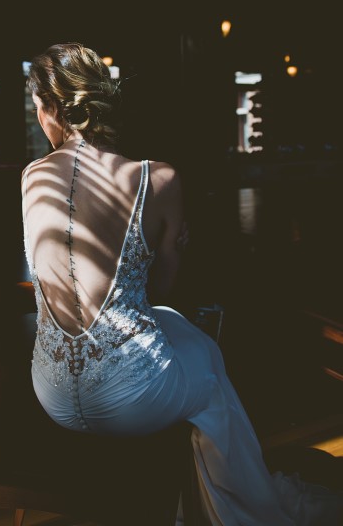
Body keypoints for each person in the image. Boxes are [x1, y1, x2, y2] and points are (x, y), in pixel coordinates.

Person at [21, 42, 343, 525]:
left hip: (52, 395)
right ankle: (237, 507)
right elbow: (163, 290)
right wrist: (168, 248)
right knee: (210, 367)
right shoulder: (158, 179)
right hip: (130, 400)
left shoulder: (32, 178)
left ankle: (200, 502)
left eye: (38, 109)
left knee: (179, 332)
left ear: (50, 109)